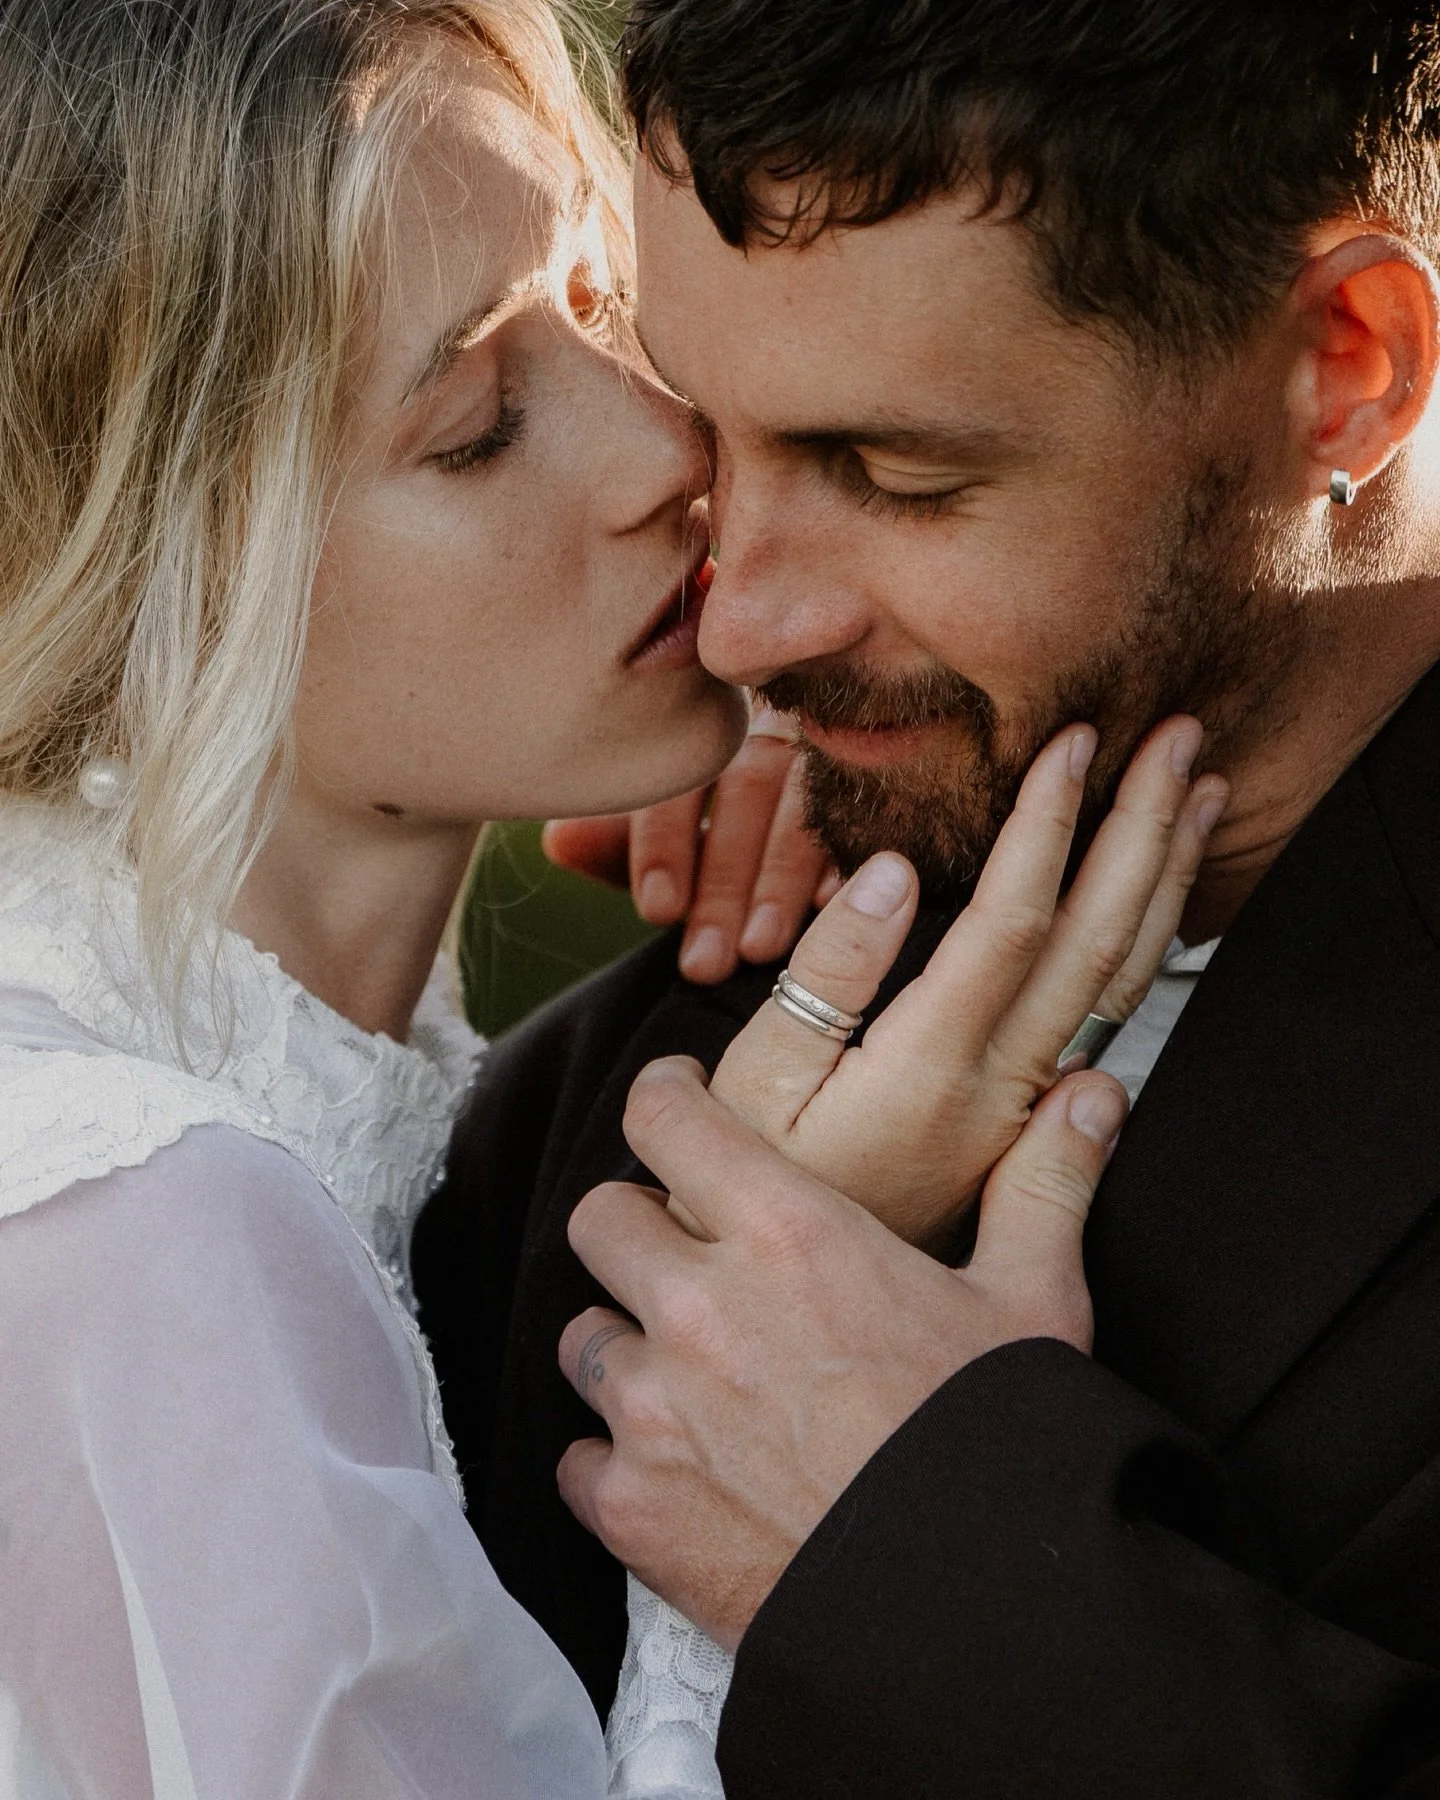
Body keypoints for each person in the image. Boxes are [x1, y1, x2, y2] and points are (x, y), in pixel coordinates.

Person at [0, 0, 1213, 1793]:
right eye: (480, 426)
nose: (668, 451)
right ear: (148, 566)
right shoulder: (149, 1228)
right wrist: (764, 1437)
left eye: (600, 305)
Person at [416, 0, 1440, 1793]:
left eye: (897, 476)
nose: (737, 628)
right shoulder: (654, 1046)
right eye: (709, 432)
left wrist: (921, 1547)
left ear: (1348, 365)